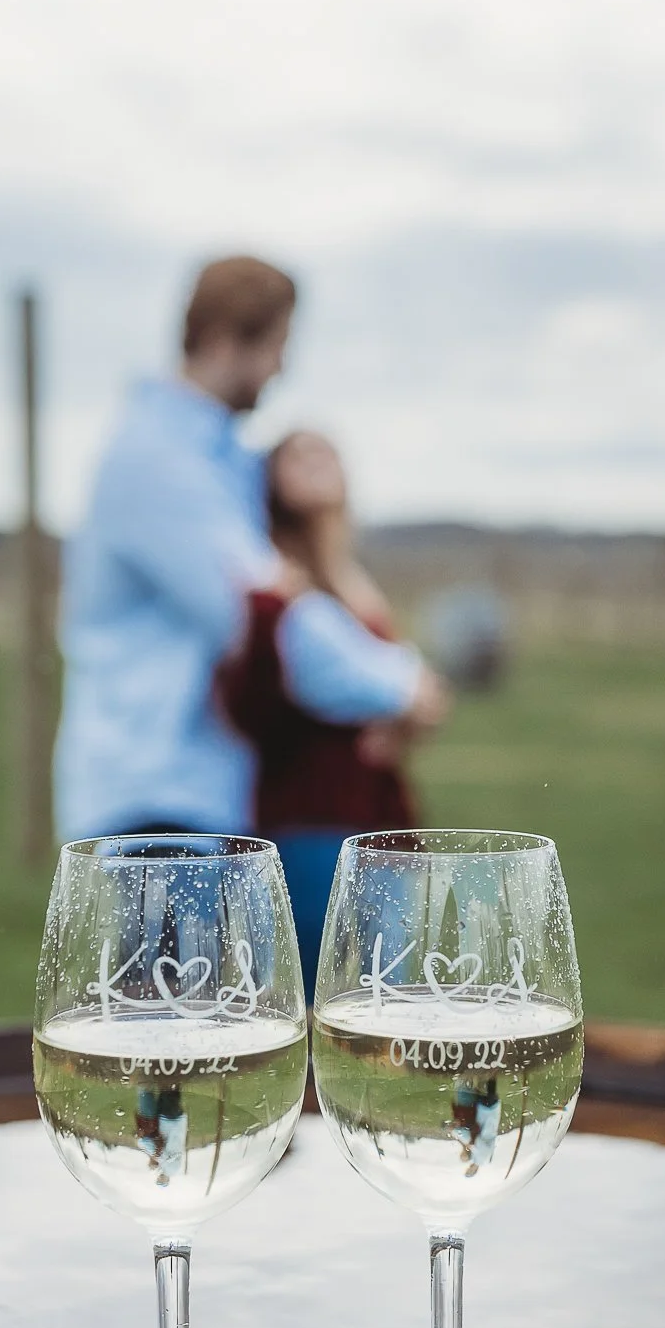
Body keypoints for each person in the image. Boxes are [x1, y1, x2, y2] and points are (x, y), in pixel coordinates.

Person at [54, 256, 444, 844]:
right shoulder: (160, 462)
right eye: (277, 344)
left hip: (194, 798)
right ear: (223, 339)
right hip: (157, 801)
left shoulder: (215, 461)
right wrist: (401, 686)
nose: (281, 367)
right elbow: (264, 614)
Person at [220, 430, 449, 994]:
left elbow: (416, 699)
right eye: (297, 454)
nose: (317, 461)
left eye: (327, 452)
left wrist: (405, 714)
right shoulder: (273, 578)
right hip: (307, 820)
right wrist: (400, 695)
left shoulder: (351, 578)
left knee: (382, 1002)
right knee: (319, 1002)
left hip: (375, 819)